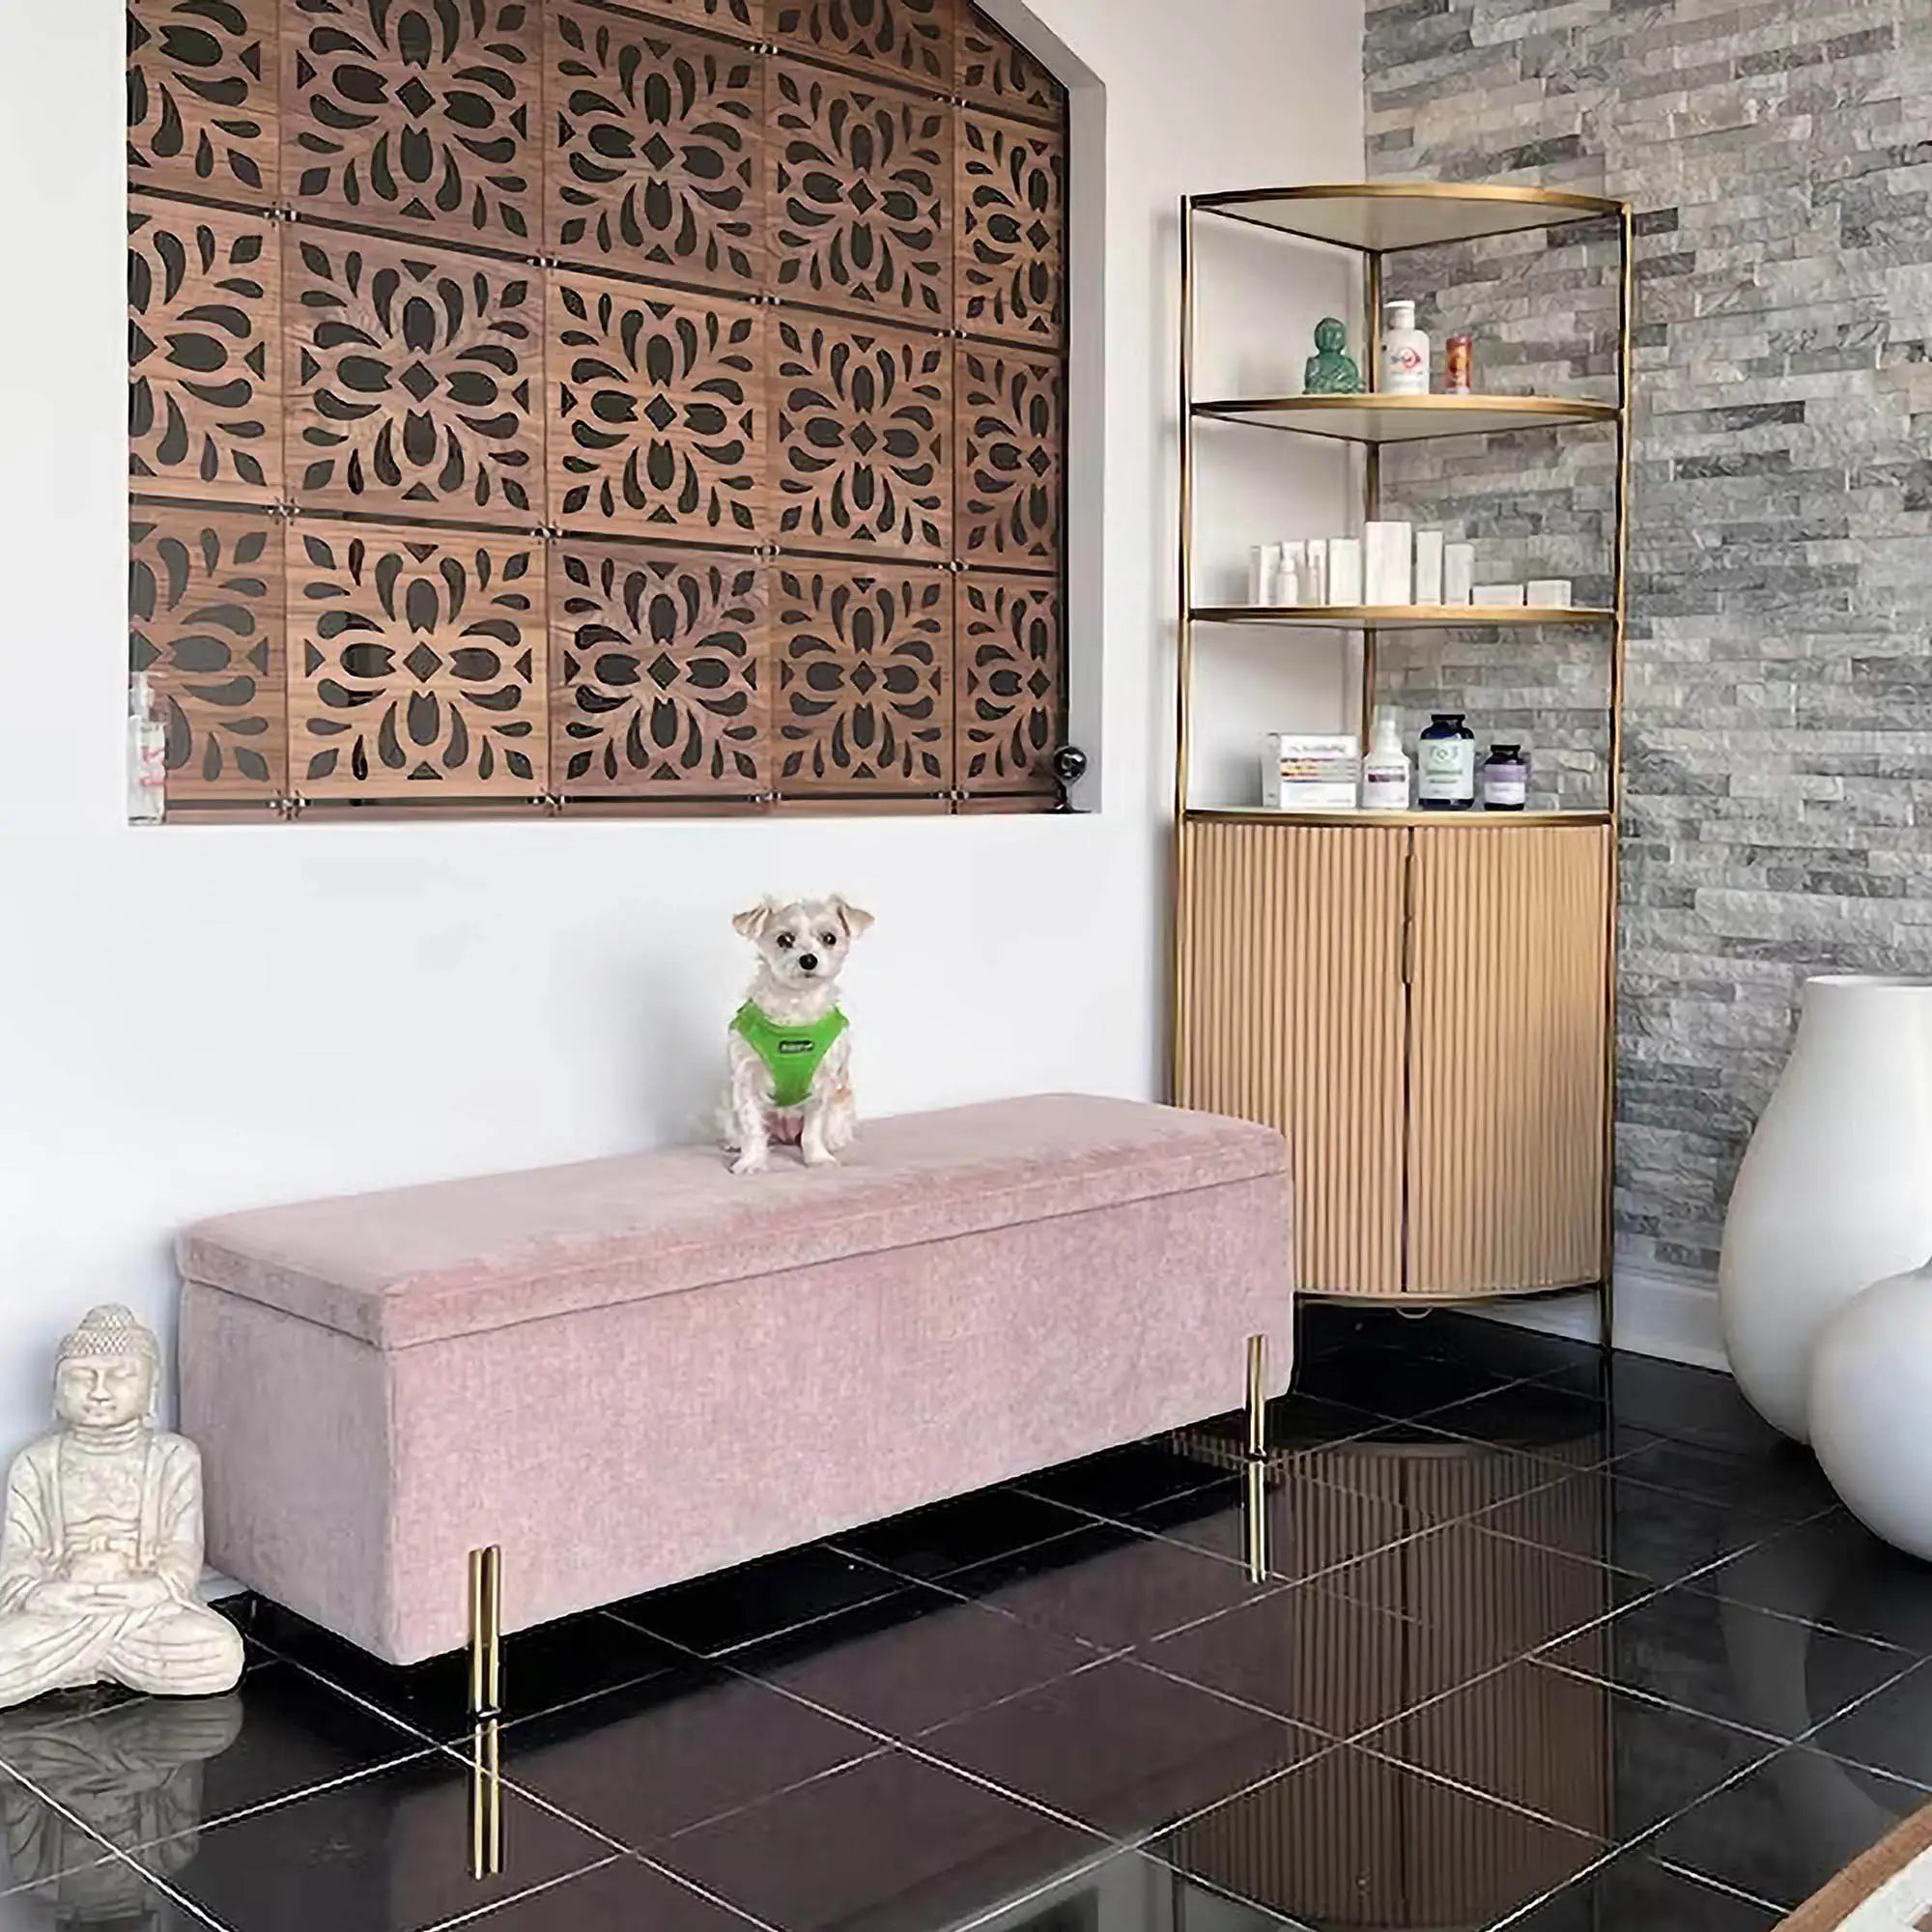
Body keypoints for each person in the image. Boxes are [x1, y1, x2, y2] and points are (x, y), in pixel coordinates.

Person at [0, 1305, 244, 1705]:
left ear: (151, 1387)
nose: (99, 1391)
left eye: (120, 1376)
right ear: (56, 1389)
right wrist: (44, 1594)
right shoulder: (35, 1463)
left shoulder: (174, 1457)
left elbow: (181, 1550)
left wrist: (151, 1588)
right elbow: (21, 1555)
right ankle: (96, 1658)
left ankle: (75, 1662)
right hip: (61, 1605)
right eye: (82, 1377)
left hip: (142, 1607)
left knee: (220, 1651)